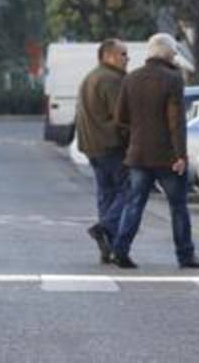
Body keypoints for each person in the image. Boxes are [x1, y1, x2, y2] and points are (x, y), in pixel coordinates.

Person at [109, 33, 199, 270]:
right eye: (173, 52)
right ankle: (185, 255)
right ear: (165, 53)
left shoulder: (131, 78)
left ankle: (119, 250)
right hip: (166, 156)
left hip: (138, 154)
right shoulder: (172, 79)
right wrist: (181, 155)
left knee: (135, 203)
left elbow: (120, 117)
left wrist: (135, 137)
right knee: (178, 206)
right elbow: (176, 122)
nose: (175, 56)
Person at [75, 39, 128, 263]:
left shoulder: (90, 77)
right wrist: (129, 140)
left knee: (106, 195)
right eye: (123, 54)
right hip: (111, 145)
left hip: (92, 146)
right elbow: (123, 117)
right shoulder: (112, 80)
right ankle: (105, 228)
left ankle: (107, 247)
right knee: (130, 189)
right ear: (108, 56)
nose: (127, 59)